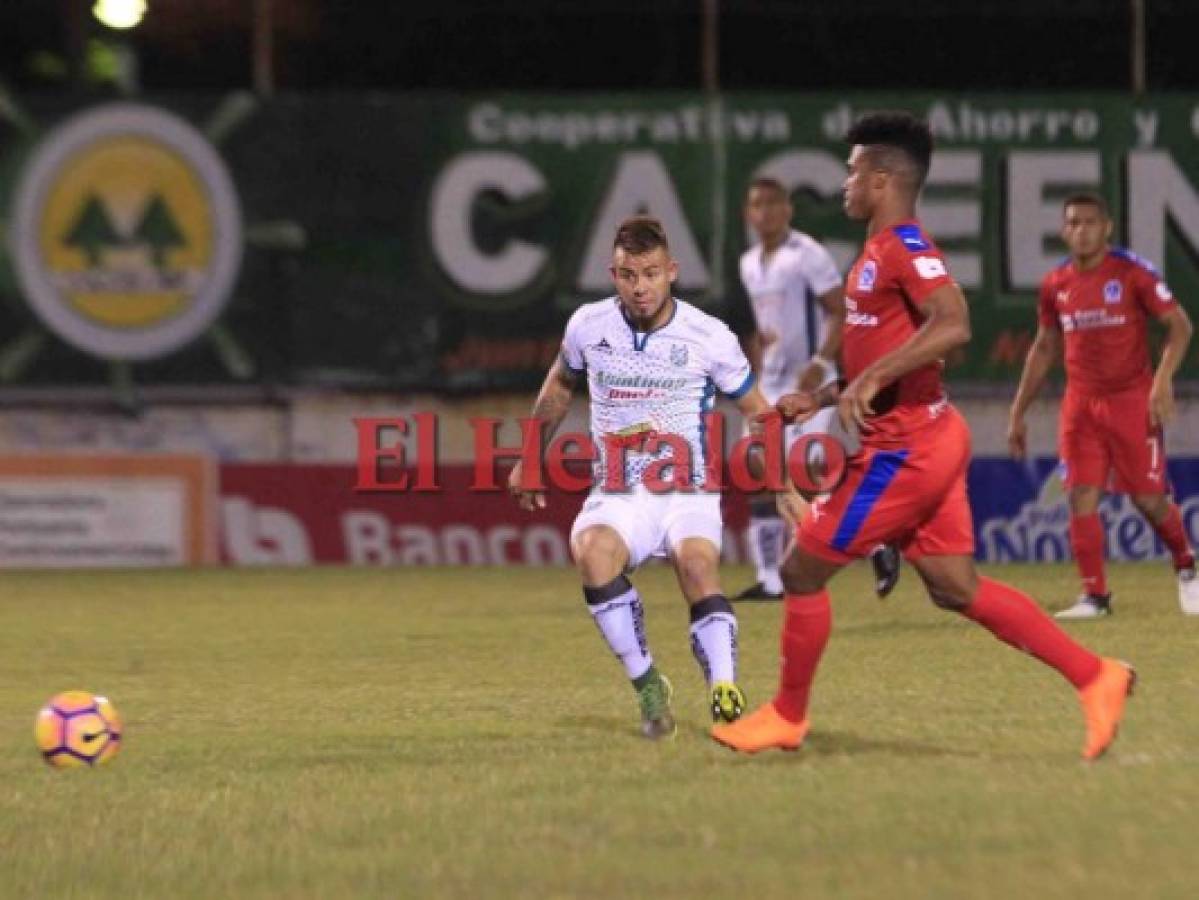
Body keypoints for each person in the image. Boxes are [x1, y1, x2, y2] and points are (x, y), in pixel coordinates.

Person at [711, 112, 1134, 761]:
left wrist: (869, 377)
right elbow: (893, 347)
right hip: (927, 432)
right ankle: (1095, 676)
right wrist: (825, 395)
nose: (845, 183)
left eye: (853, 171)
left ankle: (787, 717)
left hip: (904, 449)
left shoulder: (905, 247)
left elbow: (954, 325)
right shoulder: (876, 251)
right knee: (952, 586)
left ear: (881, 179)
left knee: (800, 569)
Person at [509, 215, 775, 739]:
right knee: (590, 552)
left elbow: (759, 410)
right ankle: (648, 682)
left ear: (671, 271)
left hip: (687, 487)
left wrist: (781, 481)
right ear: (613, 273)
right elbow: (560, 385)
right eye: (629, 275)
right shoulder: (589, 326)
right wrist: (530, 455)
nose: (640, 287)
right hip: (619, 488)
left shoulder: (708, 336)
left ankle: (724, 687)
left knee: (697, 568)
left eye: (650, 273)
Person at [1007, 193, 1197, 618]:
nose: (1082, 230)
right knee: (1080, 495)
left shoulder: (1132, 273)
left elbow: (1180, 326)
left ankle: (1187, 568)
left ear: (1106, 227)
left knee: (1148, 500)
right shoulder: (1056, 284)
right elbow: (1043, 348)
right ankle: (1094, 596)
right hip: (1080, 405)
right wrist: (1018, 412)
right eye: (1073, 222)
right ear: (1063, 230)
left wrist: (1162, 382)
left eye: (1090, 222)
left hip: (1132, 400)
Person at [734, 176, 900, 602]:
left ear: (788, 209)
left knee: (814, 472)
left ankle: (878, 543)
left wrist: (822, 363)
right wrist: (751, 377)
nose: (766, 212)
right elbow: (762, 328)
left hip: (809, 384)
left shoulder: (806, 254)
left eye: (774, 203)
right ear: (747, 213)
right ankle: (770, 578)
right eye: (757, 204)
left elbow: (839, 311)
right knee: (758, 469)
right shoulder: (749, 262)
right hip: (768, 386)